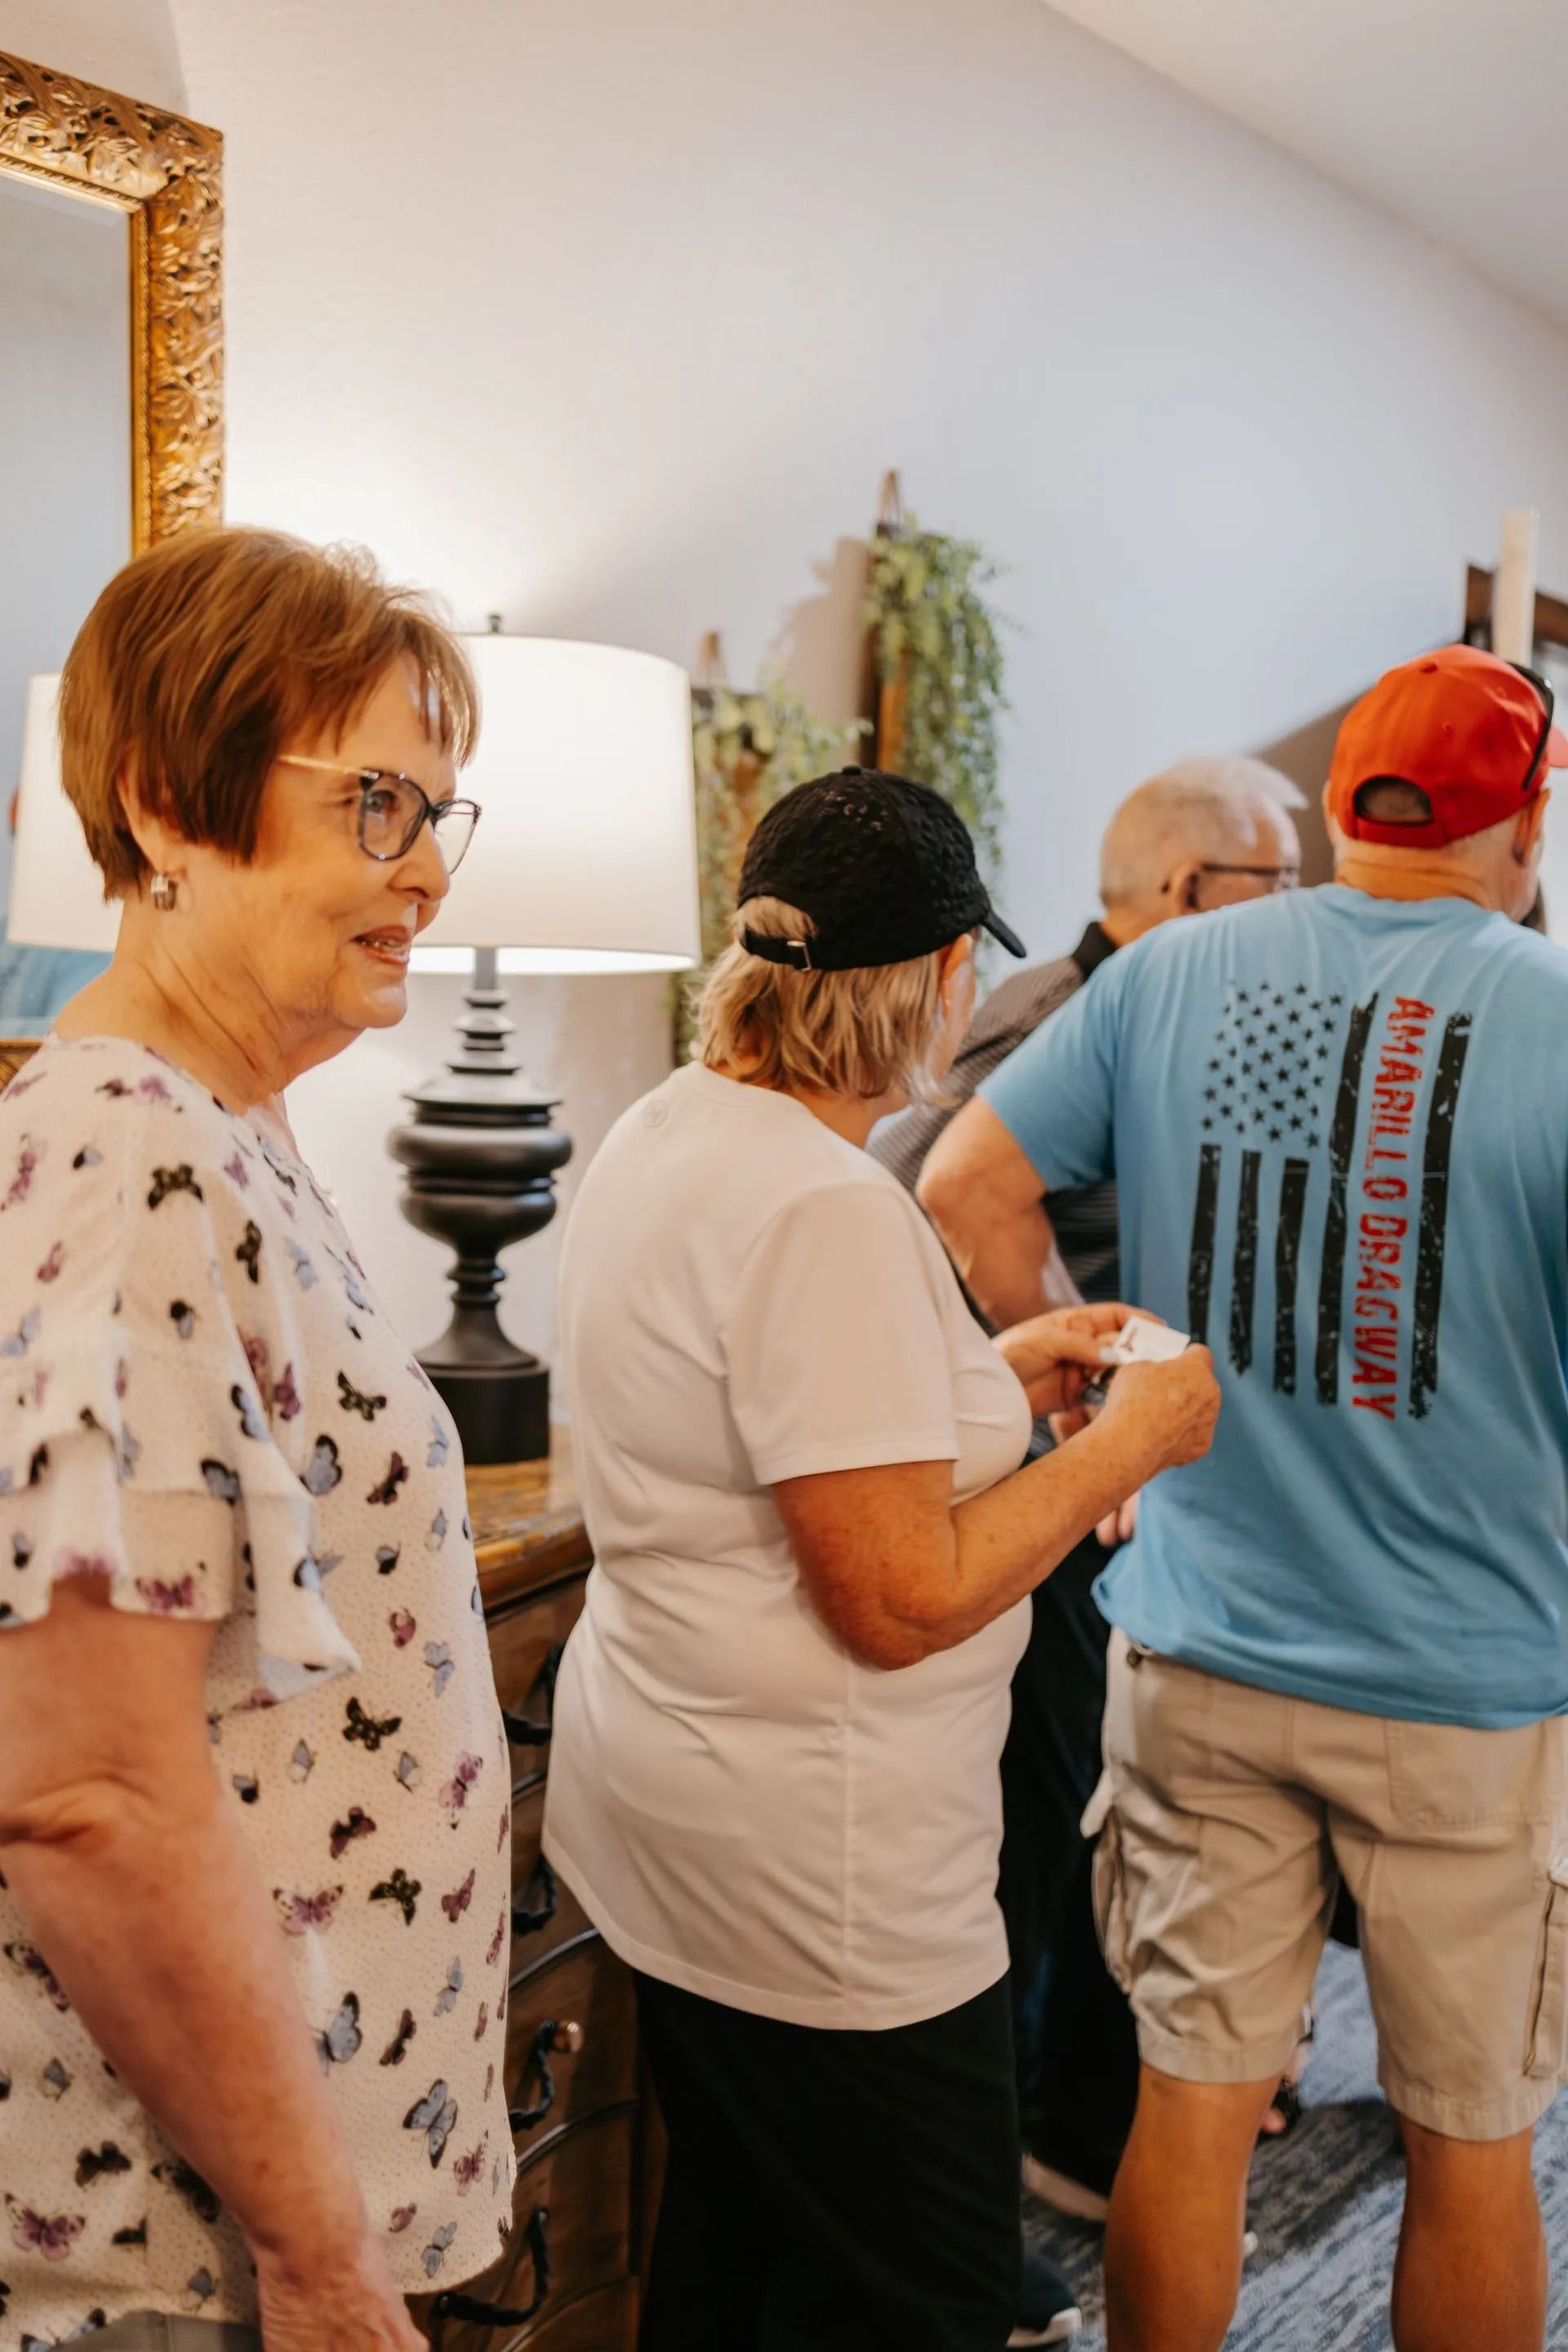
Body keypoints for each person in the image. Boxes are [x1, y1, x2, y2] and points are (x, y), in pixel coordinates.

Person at [920, 646, 1568, 2352]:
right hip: (1466, 1688)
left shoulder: (1167, 973)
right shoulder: (1557, 1012)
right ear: (1532, 815)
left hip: (1200, 1652)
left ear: (1348, 807)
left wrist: (1099, 1409)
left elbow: (968, 1180)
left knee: (1190, 2113)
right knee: (1473, 2140)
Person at [542, 768, 1221, 2352]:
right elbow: (900, 1592)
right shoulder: (822, 1208)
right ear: (927, 980)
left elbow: (777, 1429)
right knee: (913, 2292)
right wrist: (1130, 1443)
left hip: (673, 1828)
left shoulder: (672, 1126)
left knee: (734, 2245)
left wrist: (1000, 1370)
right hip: (828, 1890)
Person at [0, 527, 510, 2352]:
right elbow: (88, 1790)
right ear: (164, 805)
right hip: (188, 2256)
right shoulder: (126, 1155)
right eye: (379, 802)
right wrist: (316, 2253)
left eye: (445, 810)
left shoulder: (228, 1127)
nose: (430, 870)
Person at [871, 756, 1305, 2216]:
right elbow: (935, 1190)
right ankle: (1015, 2183)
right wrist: (1096, 1413)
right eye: (1280, 879)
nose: (1300, 907)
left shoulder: (1187, 1006)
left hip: (1118, 1478)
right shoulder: (1065, 1016)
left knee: (1092, 1827)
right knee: (1043, 1833)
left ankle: (1085, 2128)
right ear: (1191, 891)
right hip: (1048, 1484)